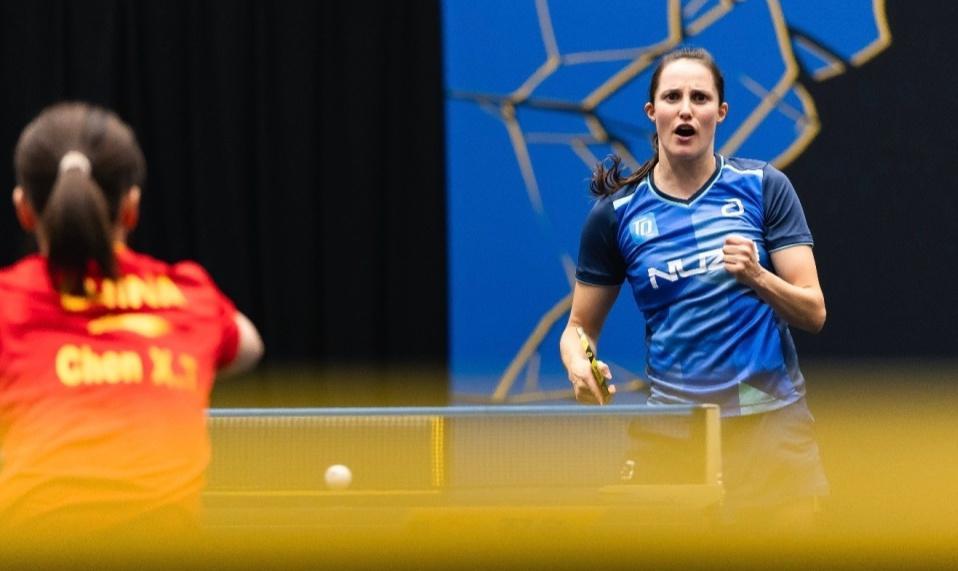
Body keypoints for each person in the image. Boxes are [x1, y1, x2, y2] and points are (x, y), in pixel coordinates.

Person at [559, 47, 828, 526]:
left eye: (700, 98)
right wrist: (580, 364)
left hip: (770, 427)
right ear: (653, 112)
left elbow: (813, 312)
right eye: (672, 97)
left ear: (720, 113)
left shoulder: (763, 187)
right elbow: (579, 328)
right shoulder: (616, 215)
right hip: (674, 430)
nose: (686, 109)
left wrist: (758, 276)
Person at [0, 102, 264, 540]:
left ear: (23, 210)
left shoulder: (7, 302)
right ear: (131, 209)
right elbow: (250, 347)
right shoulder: (190, 296)